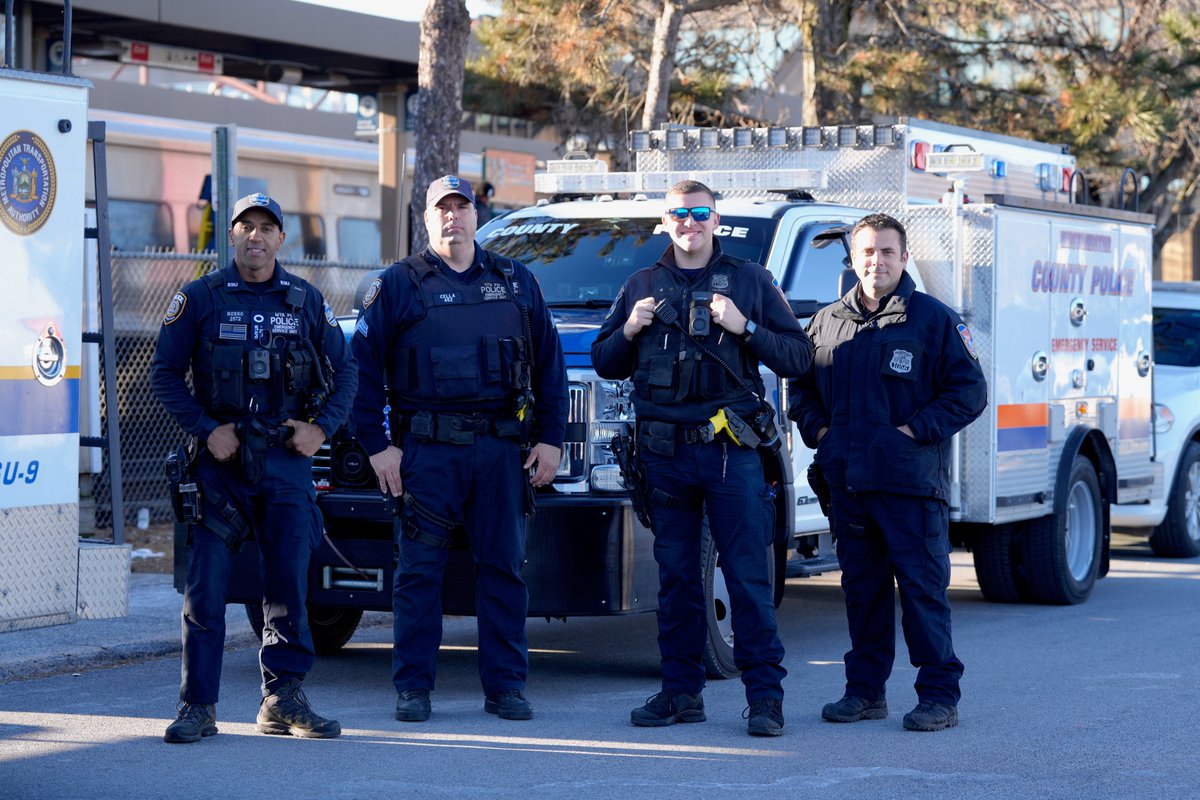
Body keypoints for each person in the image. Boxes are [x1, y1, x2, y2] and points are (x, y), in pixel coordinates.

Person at [591, 180, 811, 737]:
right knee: (678, 581)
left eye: (699, 213)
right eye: (678, 215)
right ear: (664, 223)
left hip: (729, 454)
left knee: (745, 578)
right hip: (664, 459)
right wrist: (631, 327)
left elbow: (799, 356)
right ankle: (681, 693)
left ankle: (765, 699)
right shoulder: (641, 284)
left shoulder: (749, 280)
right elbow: (603, 360)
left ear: (716, 220)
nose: (688, 222)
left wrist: (747, 326)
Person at [352, 175, 567, 723]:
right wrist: (378, 447)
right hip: (426, 452)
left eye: (461, 207)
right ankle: (414, 689)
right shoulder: (398, 284)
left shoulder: (516, 281)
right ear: (426, 219)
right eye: (441, 209)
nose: (453, 217)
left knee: (503, 569)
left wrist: (550, 438)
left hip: (500, 451)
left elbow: (549, 365)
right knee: (418, 572)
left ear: (477, 215)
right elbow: (360, 374)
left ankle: (506, 688)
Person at [151, 193, 358, 743]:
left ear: (281, 239)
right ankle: (198, 707)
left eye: (267, 227)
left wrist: (322, 429)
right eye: (246, 227)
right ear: (233, 236)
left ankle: (282, 699)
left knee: (289, 583)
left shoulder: (306, 301)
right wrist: (205, 428)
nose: (256, 237)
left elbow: (347, 372)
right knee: (206, 590)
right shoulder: (200, 298)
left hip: (286, 463)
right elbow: (165, 374)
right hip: (220, 465)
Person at [789, 213, 987, 732]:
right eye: (867, 252)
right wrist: (822, 434)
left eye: (887, 252)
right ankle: (865, 693)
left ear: (903, 258)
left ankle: (939, 696)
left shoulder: (933, 320)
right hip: (848, 485)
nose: (877, 261)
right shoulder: (827, 321)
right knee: (863, 592)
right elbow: (802, 390)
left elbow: (969, 392)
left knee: (922, 593)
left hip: (910, 486)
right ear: (853, 259)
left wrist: (915, 431)